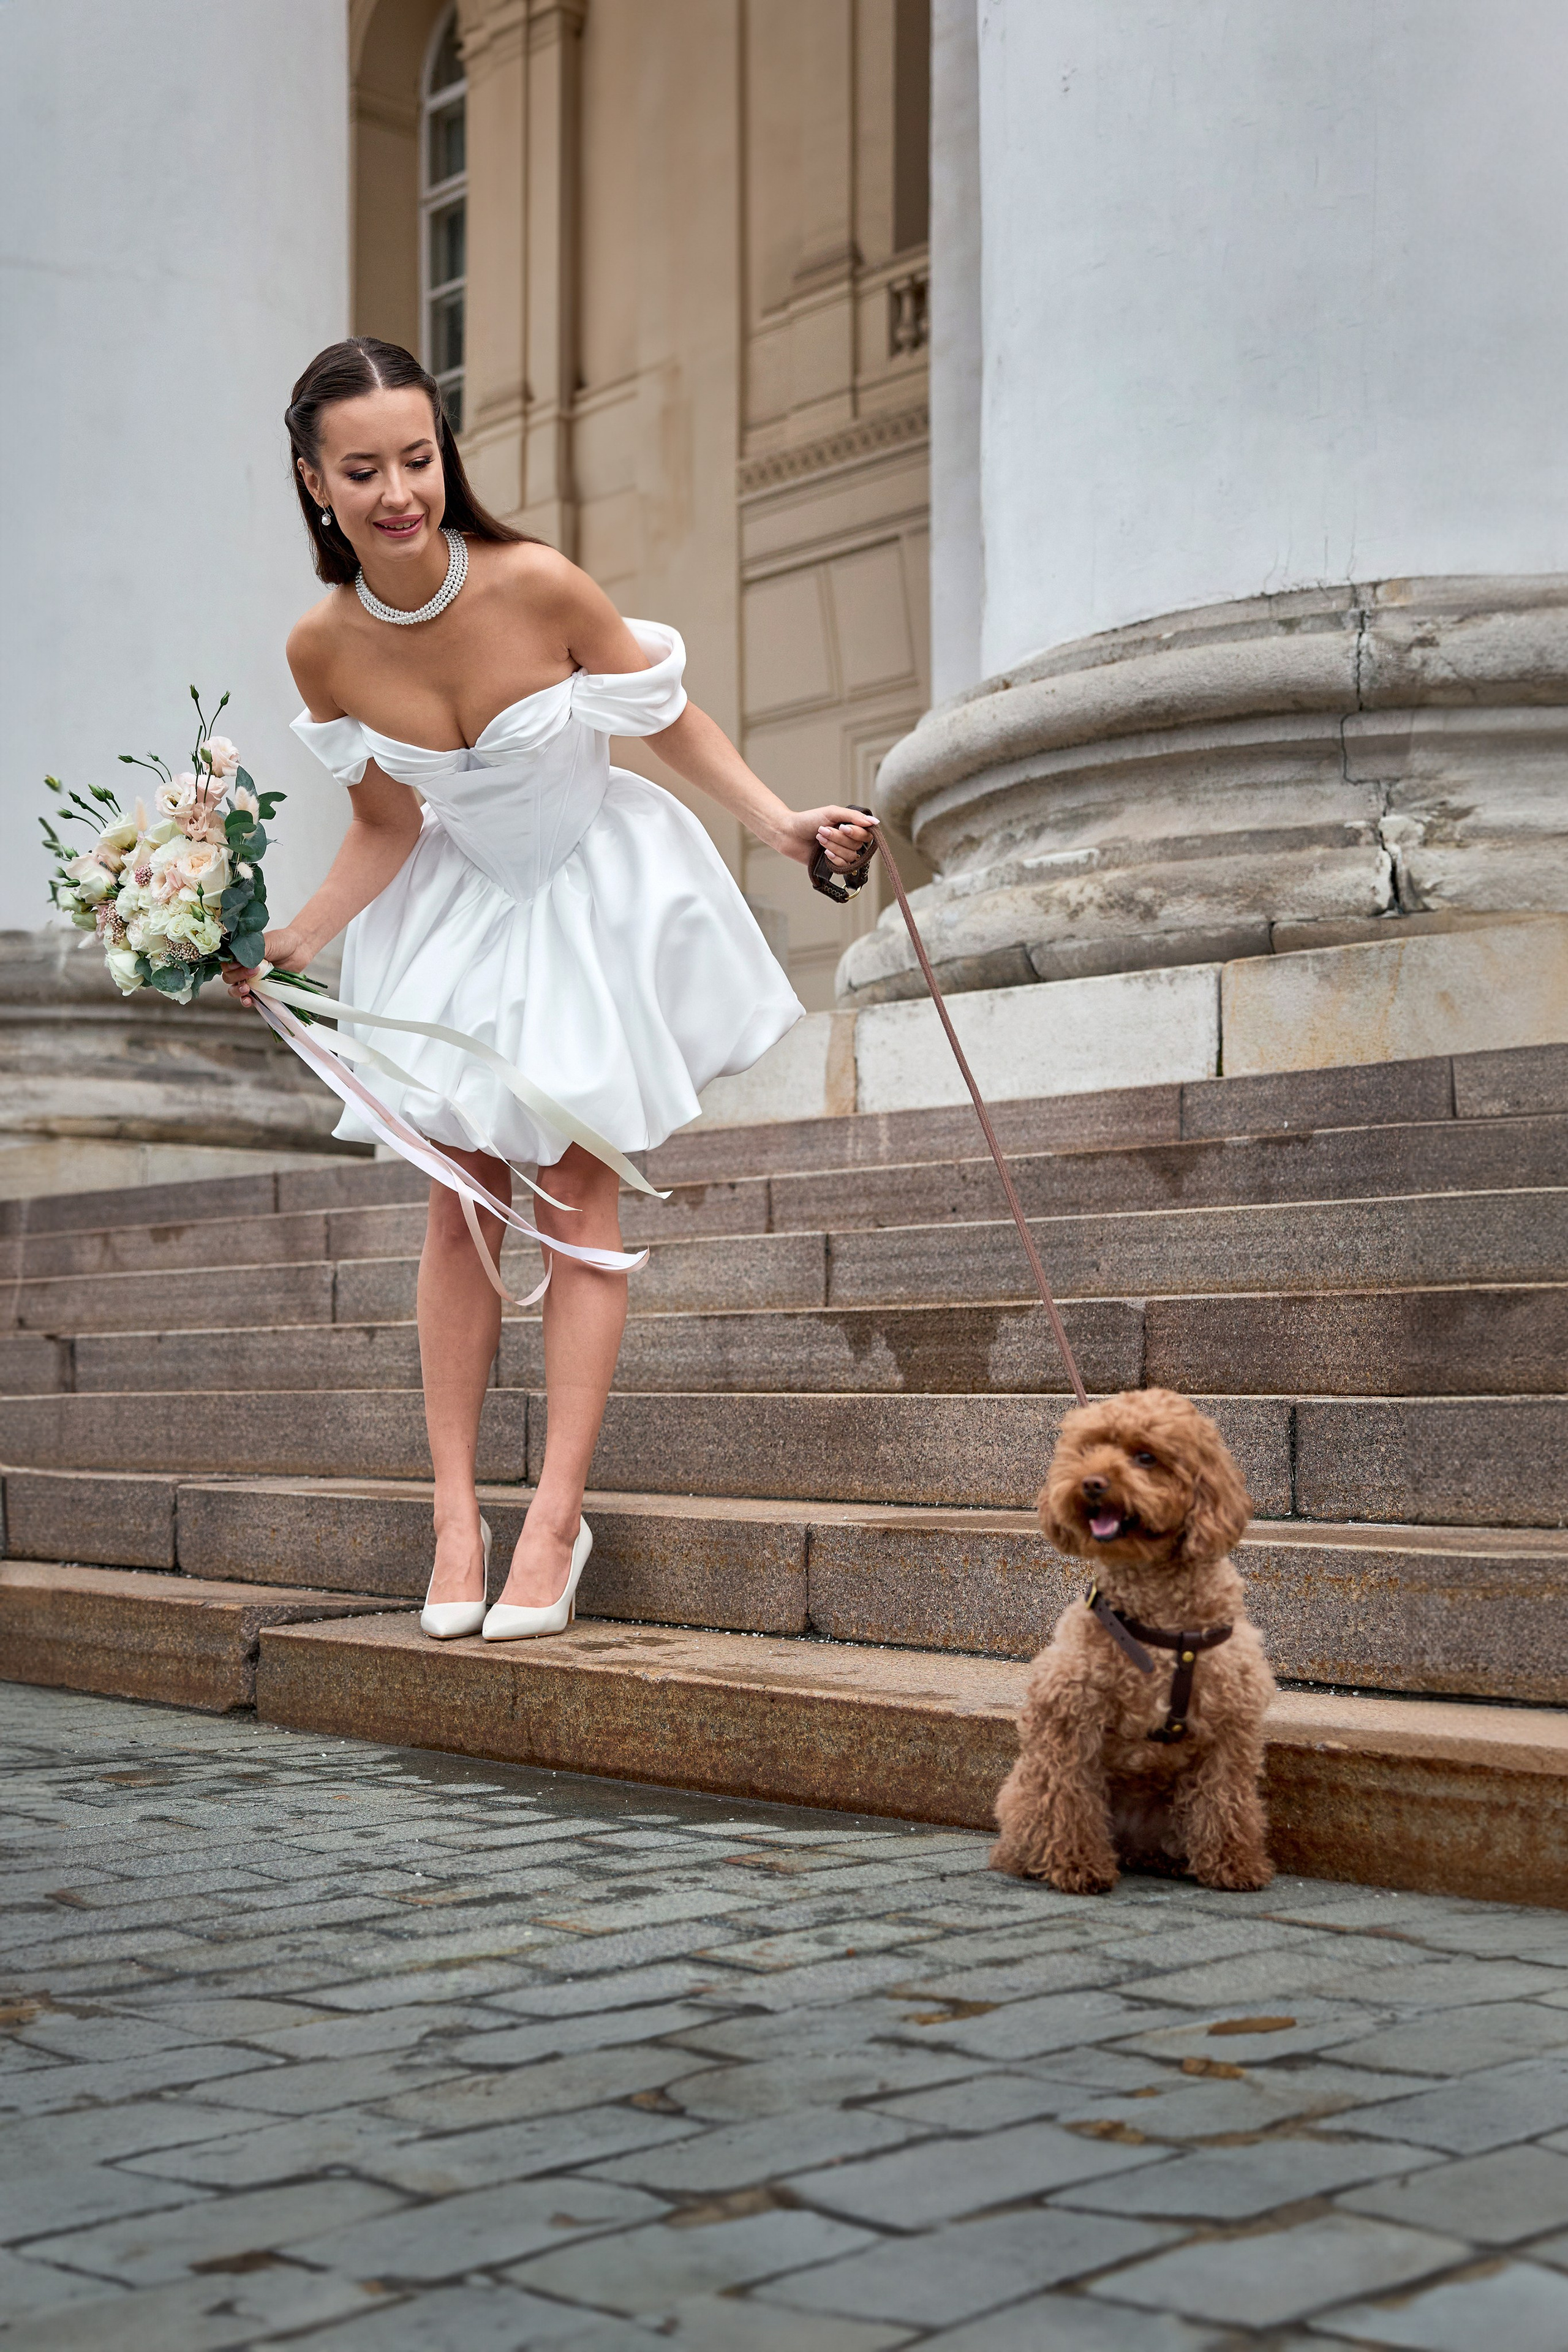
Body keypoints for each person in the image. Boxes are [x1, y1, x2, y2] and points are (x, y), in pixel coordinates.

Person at [225, 336, 872, 1644]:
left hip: (589, 884)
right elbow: (385, 823)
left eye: (418, 457)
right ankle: (455, 1512)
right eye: (364, 470)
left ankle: (553, 1519)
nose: (399, 490)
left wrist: (777, 825)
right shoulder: (324, 647)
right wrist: (291, 938)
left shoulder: (535, 582)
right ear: (314, 483)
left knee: (575, 1188)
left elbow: (660, 712)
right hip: (457, 907)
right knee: (459, 1202)